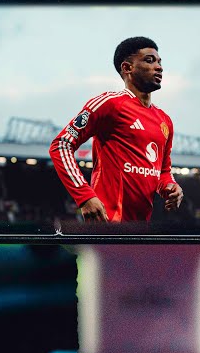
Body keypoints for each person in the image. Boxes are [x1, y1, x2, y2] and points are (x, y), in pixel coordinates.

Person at [50, 36, 185, 223]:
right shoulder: (110, 104)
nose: (159, 67)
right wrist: (85, 197)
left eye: (160, 62)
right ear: (127, 68)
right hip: (106, 224)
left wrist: (171, 186)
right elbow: (61, 145)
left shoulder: (165, 121)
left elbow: (162, 171)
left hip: (140, 230)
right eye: (149, 60)